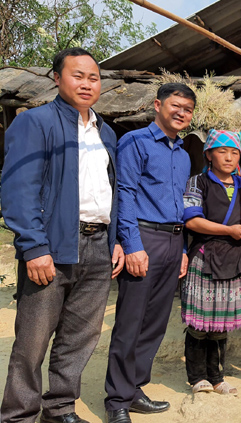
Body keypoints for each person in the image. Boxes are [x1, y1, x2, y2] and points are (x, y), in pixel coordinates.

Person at [1, 47, 124, 423]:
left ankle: (59, 409)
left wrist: (115, 239)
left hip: (98, 245)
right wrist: (34, 246)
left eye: (94, 77)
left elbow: (109, 191)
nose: (87, 83)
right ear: (57, 78)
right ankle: (19, 415)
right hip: (51, 247)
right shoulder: (35, 122)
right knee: (33, 340)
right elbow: (18, 189)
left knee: (80, 337)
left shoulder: (107, 132)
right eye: (78, 75)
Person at [104, 83, 195, 423]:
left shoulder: (183, 154)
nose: (181, 112)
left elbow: (181, 206)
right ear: (158, 105)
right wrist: (132, 245)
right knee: (130, 323)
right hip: (143, 238)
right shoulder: (135, 143)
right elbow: (124, 195)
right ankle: (116, 402)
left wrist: (183, 248)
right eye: (175, 105)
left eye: (187, 108)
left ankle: (134, 389)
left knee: (154, 324)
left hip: (172, 242)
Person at [181, 129, 241, 395]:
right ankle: (197, 377)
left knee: (220, 325)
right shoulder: (198, 182)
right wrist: (230, 230)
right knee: (200, 324)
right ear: (208, 154)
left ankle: (218, 378)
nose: (229, 157)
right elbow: (192, 220)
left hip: (234, 259)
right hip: (205, 257)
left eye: (234, 152)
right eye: (222, 151)